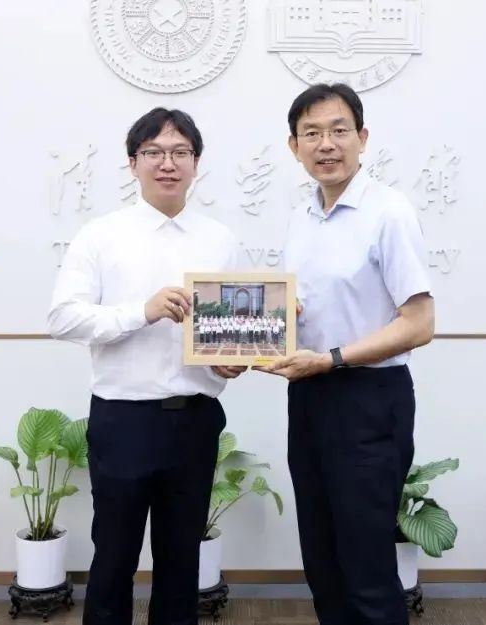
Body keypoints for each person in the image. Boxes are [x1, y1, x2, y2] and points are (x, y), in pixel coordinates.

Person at [48, 107, 245, 625]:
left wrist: (232, 361)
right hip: (124, 420)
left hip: (196, 419)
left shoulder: (220, 239)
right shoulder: (100, 235)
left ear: (196, 163)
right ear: (132, 163)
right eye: (153, 152)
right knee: (114, 555)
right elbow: (62, 318)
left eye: (180, 152)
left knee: (182, 559)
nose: (167, 163)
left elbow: (232, 327)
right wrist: (143, 311)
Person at [260, 83, 435, 625]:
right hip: (310, 396)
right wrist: (255, 340)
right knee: (322, 554)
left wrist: (331, 358)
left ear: (362, 137)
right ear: (294, 146)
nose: (326, 144)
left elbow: (419, 323)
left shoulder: (389, 212)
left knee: (365, 561)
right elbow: (305, 312)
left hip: (368, 399)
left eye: (338, 130)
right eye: (311, 133)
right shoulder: (302, 217)